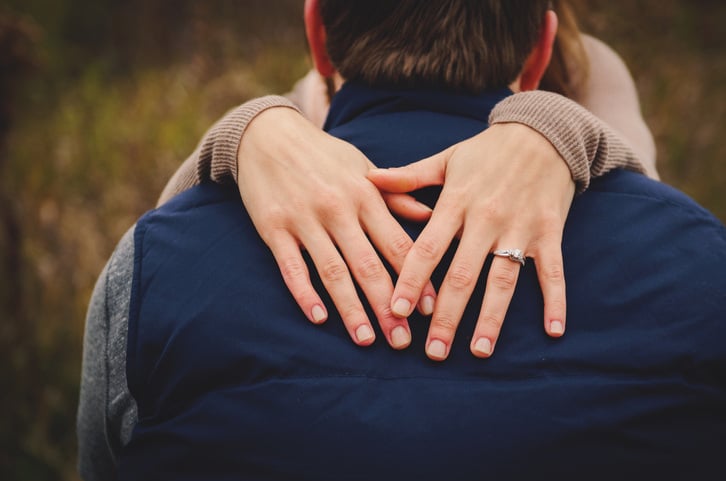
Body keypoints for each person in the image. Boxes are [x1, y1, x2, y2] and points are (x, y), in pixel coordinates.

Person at [78, 0, 726, 479]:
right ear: (541, 49)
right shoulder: (700, 259)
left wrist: (242, 132)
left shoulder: (153, 263)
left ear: (317, 37)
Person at [156, 0, 651, 360]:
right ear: (541, 45)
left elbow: (649, 193)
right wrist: (246, 134)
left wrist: (551, 128)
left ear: (315, 34)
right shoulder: (307, 104)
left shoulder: (591, 72)